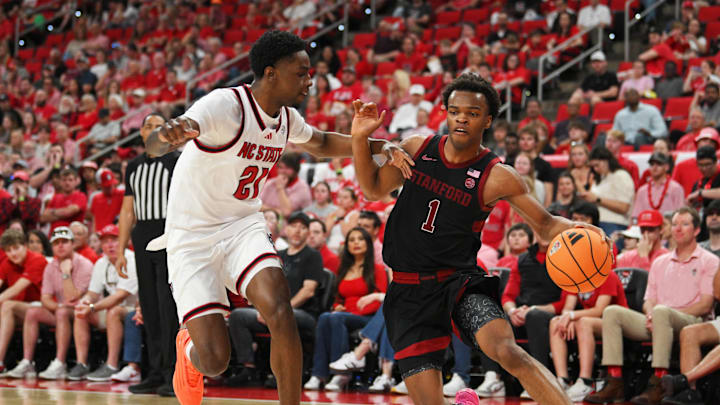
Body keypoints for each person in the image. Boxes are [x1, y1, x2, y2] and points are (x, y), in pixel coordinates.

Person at [141, 30, 406, 405]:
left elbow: (322, 143)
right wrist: (167, 134)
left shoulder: (286, 119)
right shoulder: (223, 105)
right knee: (215, 360)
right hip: (192, 235)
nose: (309, 80)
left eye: (309, 72)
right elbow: (156, 144)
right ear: (270, 73)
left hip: (241, 226)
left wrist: (380, 146)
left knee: (280, 309)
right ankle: (189, 350)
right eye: (300, 73)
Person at [350, 73, 610, 404]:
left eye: (472, 113)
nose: (461, 118)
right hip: (408, 291)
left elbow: (544, 225)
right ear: (445, 112)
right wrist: (359, 138)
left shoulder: (498, 175)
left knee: (508, 352)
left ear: (487, 120)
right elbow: (372, 188)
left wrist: (581, 228)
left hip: (458, 283)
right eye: (455, 110)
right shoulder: (417, 148)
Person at [586, 207, 718, 404]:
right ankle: (614, 381)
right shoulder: (660, 262)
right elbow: (649, 300)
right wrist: (650, 315)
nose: (678, 229)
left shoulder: (710, 260)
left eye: (685, 224)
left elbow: (706, 305)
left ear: (697, 230)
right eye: (674, 224)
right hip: (657, 319)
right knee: (612, 312)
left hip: (690, 320)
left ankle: (659, 382)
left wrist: (660, 314)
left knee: (661, 311)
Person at [116, 112, 179, 396]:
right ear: (141, 133)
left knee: (168, 307)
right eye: (149, 126)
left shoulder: (176, 161)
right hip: (142, 236)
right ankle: (154, 372)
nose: (154, 130)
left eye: (159, 126)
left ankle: (172, 373)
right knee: (150, 307)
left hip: (169, 234)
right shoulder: (133, 166)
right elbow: (127, 210)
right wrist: (120, 250)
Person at [228, 212, 323, 387]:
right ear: (286, 229)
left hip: (303, 313)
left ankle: (283, 373)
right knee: (238, 316)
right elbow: (266, 287)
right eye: (294, 226)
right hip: (273, 311)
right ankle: (249, 368)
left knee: (282, 318)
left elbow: (308, 291)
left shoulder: (313, 256)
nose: (297, 231)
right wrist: (265, 310)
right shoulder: (279, 254)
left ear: (308, 233)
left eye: (303, 228)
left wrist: (278, 310)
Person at [548, 207, 627, 402]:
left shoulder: (607, 274)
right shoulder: (578, 274)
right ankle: (562, 380)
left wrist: (573, 316)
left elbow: (601, 310)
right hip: (591, 321)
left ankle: (584, 380)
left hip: (613, 322)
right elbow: (569, 304)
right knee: (555, 321)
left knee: (583, 323)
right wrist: (566, 316)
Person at [304, 227, 388, 391]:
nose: (356, 243)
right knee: (326, 316)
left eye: (360, 239)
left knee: (335, 318)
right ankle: (319, 374)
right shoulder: (343, 269)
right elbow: (338, 298)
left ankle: (340, 374)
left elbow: (382, 300)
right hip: (346, 315)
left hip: (369, 317)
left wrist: (352, 311)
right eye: (352, 240)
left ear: (368, 244)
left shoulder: (377, 269)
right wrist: (338, 307)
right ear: (347, 245)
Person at [5, 227, 93, 380]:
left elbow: (73, 298)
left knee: (63, 312)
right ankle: (27, 362)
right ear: (51, 246)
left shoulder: (84, 264)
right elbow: (45, 298)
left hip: (84, 312)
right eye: (56, 243)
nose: (60, 246)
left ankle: (60, 362)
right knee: (33, 312)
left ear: (72, 244)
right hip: (61, 310)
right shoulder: (50, 266)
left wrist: (66, 273)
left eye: (64, 242)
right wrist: (57, 307)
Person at [68, 224, 138, 381]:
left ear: (123, 241)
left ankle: (111, 365)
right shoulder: (101, 262)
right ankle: (82, 363)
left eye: (114, 240)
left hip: (133, 308)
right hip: (111, 306)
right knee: (80, 312)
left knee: (114, 311)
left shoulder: (132, 259)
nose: (110, 245)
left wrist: (92, 307)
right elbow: (93, 293)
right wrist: (85, 303)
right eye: (105, 241)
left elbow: (120, 296)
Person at [0, 229, 47, 374]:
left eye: (16, 248)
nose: (13, 253)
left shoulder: (37, 259)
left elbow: (16, 289)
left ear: (25, 245)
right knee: (5, 306)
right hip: (21, 310)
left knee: (7, 304)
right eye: (8, 250)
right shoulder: (7, 263)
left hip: (44, 307)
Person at [579, 147, 635, 237]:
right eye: (593, 167)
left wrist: (598, 199)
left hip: (615, 224)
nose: (595, 169)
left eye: (597, 165)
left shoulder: (621, 176)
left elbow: (624, 207)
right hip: (596, 224)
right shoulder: (599, 178)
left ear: (606, 160)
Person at [631, 153, 685, 219]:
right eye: (652, 164)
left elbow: (680, 214)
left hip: (668, 227)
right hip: (646, 227)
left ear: (666, 167)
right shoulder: (642, 191)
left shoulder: (676, 188)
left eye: (659, 164)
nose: (655, 167)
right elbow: (635, 216)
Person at [260, 152, 312, 218]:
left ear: (295, 170)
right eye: (281, 167)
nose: (283, 171)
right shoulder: (270, 183)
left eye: (287, 168)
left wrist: (280, 188)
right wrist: (276, 211)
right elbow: (257, 206)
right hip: (265, 219)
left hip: (290, 225)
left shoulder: (302, 187)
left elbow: (286, 212)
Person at [39, 168, 88, 232]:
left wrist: (53, 212)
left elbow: (70, 211)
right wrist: (65, 213)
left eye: (70, 180)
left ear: (76, 181)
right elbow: (43, 218)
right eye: (64, 180)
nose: (67, 183)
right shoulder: (56, 197)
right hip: (54, 235)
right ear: (60, 182)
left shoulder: (81, 196)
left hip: (72, 235)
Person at [88, 168, 124, 233]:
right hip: (100, 234)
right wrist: (94, 234)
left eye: (111, 184)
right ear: (100, 185)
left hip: (116, 233)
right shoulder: (96, 198)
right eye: (107, 186)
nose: (110, 187)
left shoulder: (122, 194)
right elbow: (94, 220)